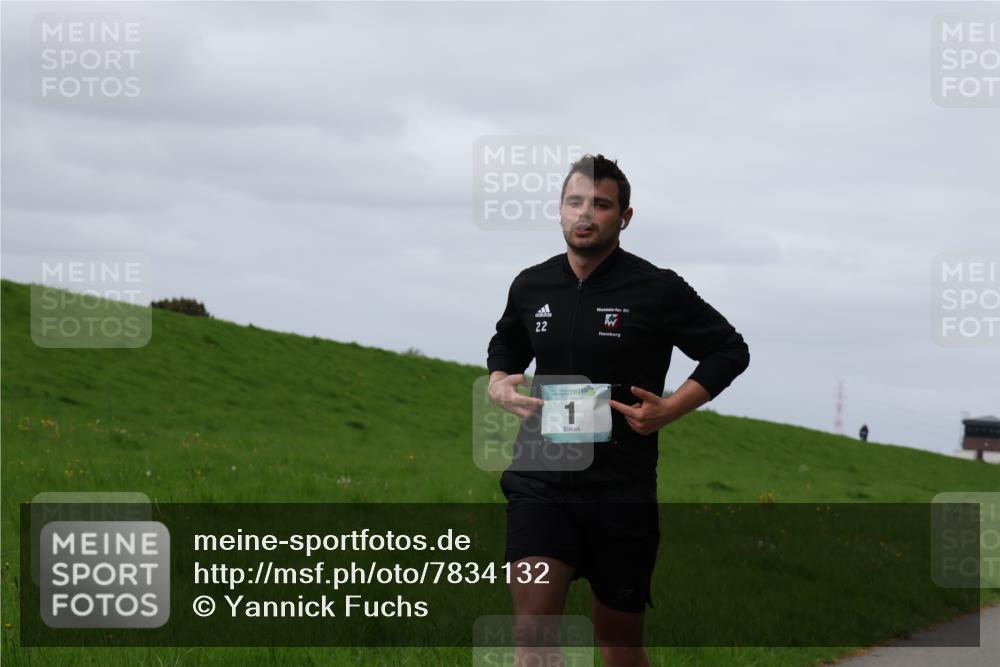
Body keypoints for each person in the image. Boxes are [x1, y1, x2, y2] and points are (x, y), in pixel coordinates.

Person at [486, 153, 750, 666]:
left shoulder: (656, 289)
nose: (586, 214)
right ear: (560, 210)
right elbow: (507, 346)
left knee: (620, 644)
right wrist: (498, 384)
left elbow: (729, 350)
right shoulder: (531, 285)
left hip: (621, 491)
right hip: (540, 480)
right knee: (533, 639)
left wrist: (671, 409)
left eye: (601, 204)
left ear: (624, 217)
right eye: (575, 202)